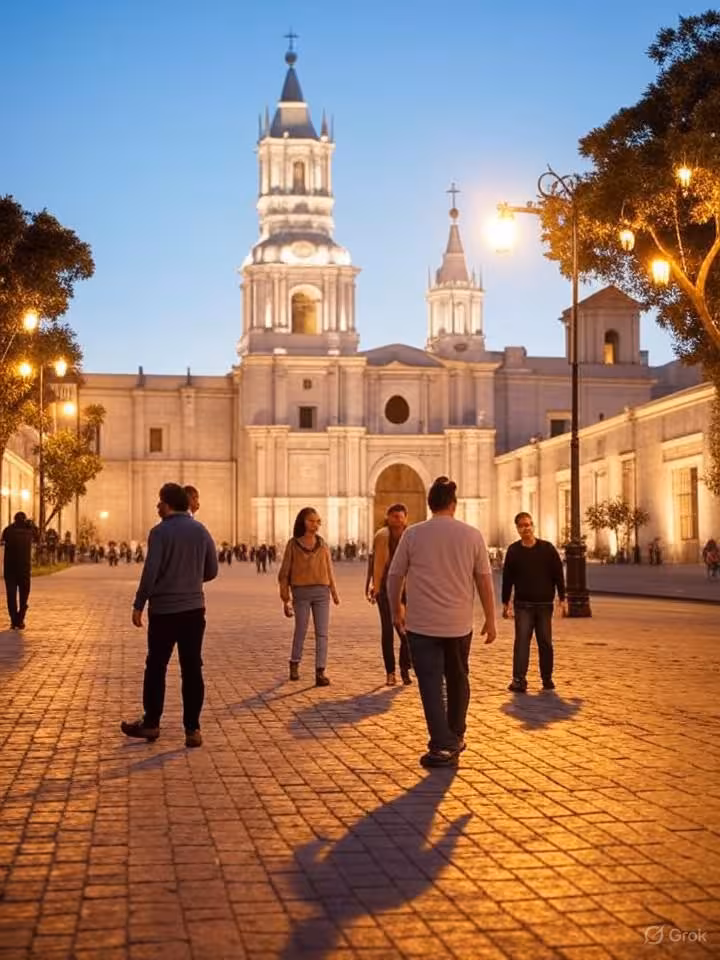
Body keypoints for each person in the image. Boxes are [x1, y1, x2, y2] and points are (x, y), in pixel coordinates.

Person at [387, 477, 497, 768]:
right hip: (459, 625)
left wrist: (396, 609)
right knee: (459, 678)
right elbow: (484, 580)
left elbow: (394, 575)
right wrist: (491, 617)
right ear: (453, 504)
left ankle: (442, 744)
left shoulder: (413, 534)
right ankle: (455, 735)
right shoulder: (472, 535)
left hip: (421, 625)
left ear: (429, 503)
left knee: (431, 685)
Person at [121, 483, 218, 748]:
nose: (157, 506)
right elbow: (212, 570)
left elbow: (150, 572)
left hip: (164, 611)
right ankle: (192, 729)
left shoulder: (160, 532)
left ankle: (151, 723)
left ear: (169, 504)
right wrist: (191, 580)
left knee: (156, 666)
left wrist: (139, 603)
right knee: (192, 668)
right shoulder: (201, 531)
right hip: (194, 610)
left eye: (160, 502)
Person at [502, 512, 566, 693]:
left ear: (533, 526)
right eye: (522, 525)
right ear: (517, 529)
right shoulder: (514, 551)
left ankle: (547, 678)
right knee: (521, 642)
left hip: (545, 604)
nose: (526, 528)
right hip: (523, 605)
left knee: (545, 642)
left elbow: (558, 574)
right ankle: (519, 680)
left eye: (529, 524)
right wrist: (505, 602)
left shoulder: (547, 549)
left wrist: (563, 597)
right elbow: (507, 578)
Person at [278, 507, 339, 687]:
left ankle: (320, 671)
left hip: (322, 592)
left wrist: (334, 592)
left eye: (317, 521)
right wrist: (285, 599)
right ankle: (294, 663)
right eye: (311, 520)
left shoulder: (323, 544)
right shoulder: (293, 544)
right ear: (303, 522)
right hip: (301, 593)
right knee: (301, 630)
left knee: (322, 633)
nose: (315, 524)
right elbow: (284, 573)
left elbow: (329, 569)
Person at [367, 503, 412, 686]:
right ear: (388, 517)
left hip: (407, 591)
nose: (397, 520)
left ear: (405, 518)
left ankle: (404, 667)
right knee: (388, 630)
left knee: (407, 632)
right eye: (394, 516)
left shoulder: (411, 536)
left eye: (400, 516)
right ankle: (390, 672)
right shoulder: (381, 537)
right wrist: (372, 585)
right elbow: (374, 563)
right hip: (384, 590)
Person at [1, 512, 35, 629]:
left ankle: (14, 620)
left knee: (11, 596)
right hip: (24, 569)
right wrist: (31, 524)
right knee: (24, 596)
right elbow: (39, 536)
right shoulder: (30, 531)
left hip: (10, 570)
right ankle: (20, 618)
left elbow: (2, 539)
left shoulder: (8, 530)